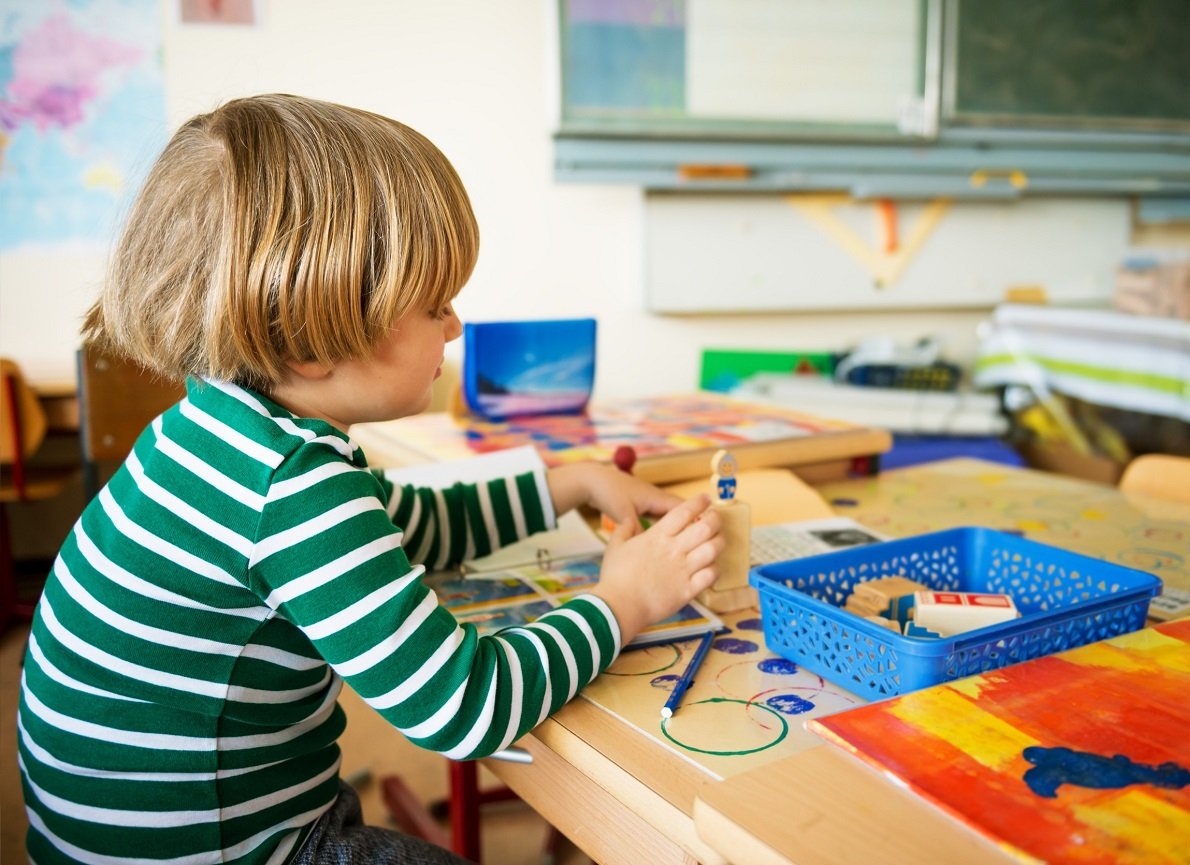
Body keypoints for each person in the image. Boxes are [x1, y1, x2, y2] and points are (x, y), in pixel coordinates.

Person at [17, 94, 723, 864]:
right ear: (308, 337)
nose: (454, 325)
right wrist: (628, 597)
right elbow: (466, 704)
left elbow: (404, 523)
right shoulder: (291, 487)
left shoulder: (220, 432)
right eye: (433, 304)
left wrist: (566, 485)